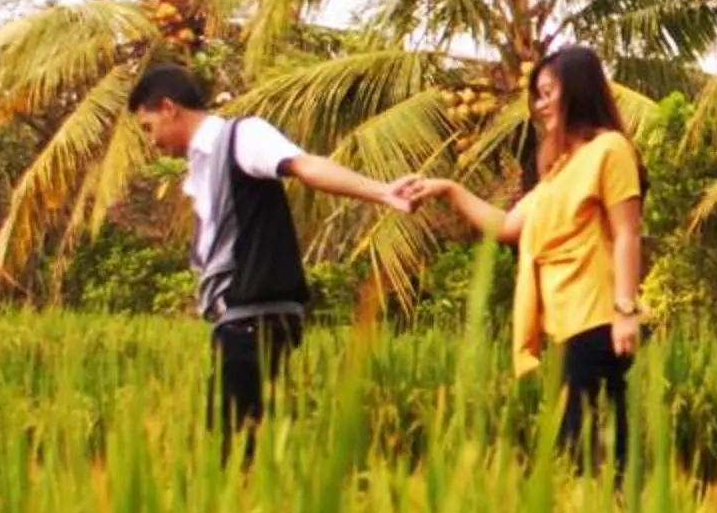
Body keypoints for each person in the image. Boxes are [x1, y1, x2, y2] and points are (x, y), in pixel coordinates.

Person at [126, 61, 413, 446]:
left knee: (233, 446)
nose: (152, 141)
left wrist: (381, 192)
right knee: (233, 437)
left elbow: (305, 165)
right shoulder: (201, 167)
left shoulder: (241, 137)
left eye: (149, 127)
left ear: (168, 107)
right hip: (237, 321)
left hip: (256, 319)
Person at [397, 45, 645, 467]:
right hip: (567, 324)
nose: (540, 104)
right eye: (538, 94)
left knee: (582, 444)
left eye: (549, 92)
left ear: (579, 90)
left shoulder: (610, 149)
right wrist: (449, 189)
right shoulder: (560, 169)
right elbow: (509, 227)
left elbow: (626, 233)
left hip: (600, 316)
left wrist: (625, 310)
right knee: (579, 443)